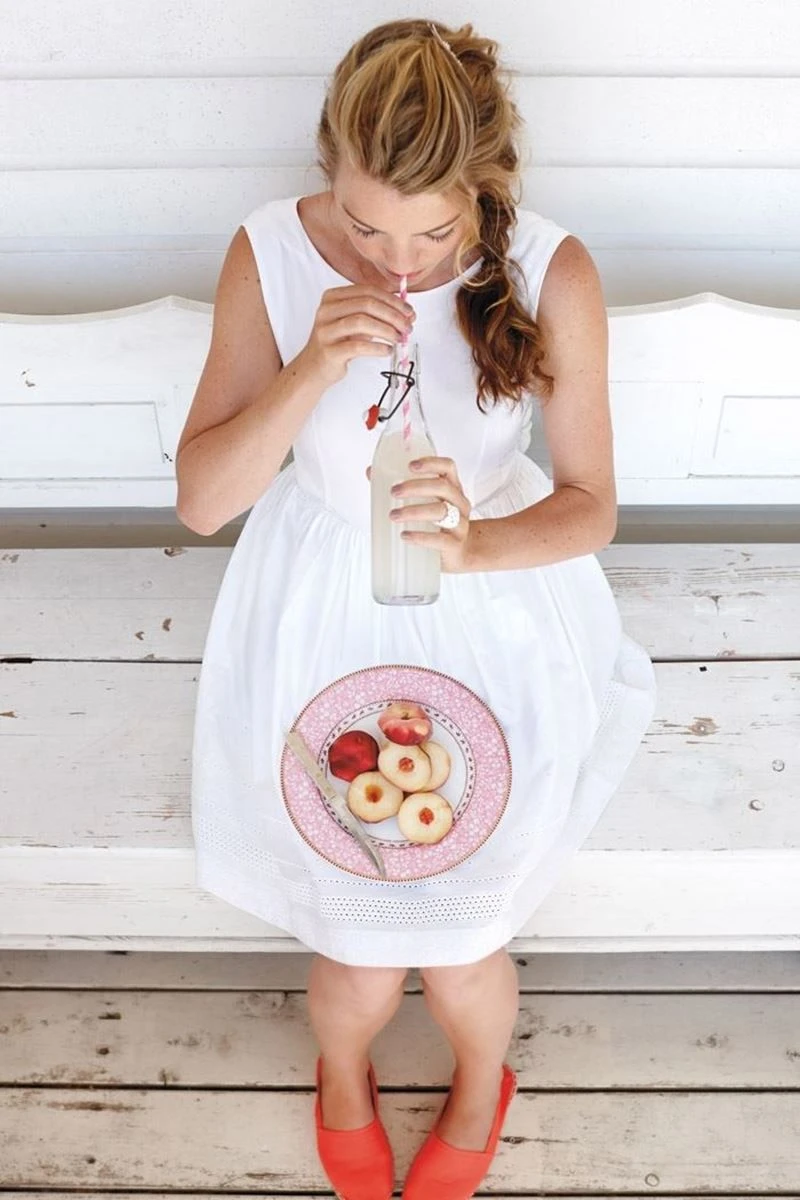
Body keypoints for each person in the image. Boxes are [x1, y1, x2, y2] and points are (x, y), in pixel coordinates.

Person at [176, 17, 657, 1200]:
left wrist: (476, 541)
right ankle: (341, 1073)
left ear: (483, 189)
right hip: (323, 601)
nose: (396, 265)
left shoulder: (549, 269)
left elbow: (590, 507)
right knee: (351, 951)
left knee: (462, 942)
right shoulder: (269, 252)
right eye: (364, 228)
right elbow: (203, 503)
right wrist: (310, 368)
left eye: (434, 233)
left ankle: (481, 1076)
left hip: (491, 603)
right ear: (327, 173)